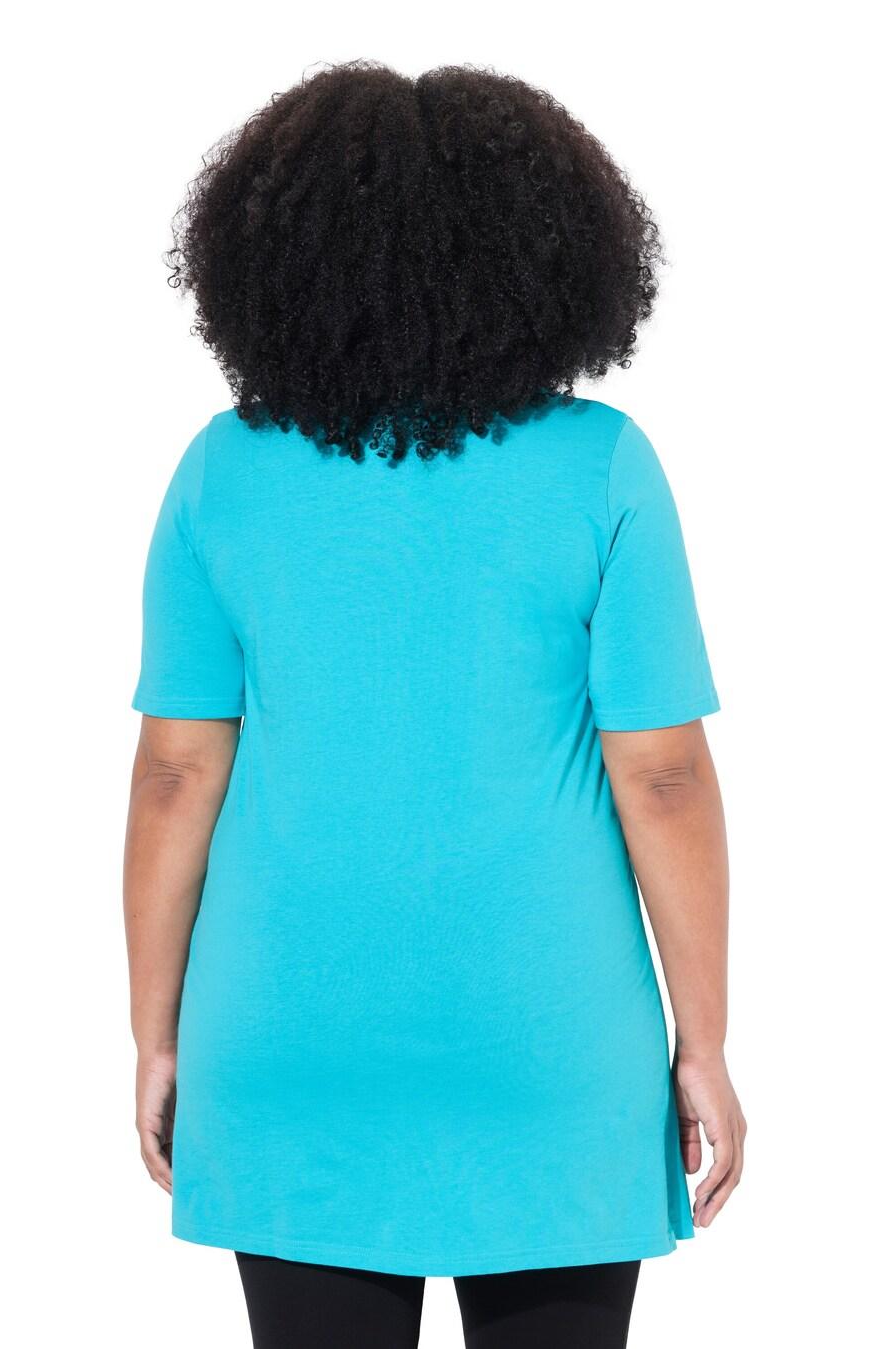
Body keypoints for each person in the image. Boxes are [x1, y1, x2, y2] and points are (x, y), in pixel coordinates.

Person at [123, 60, 746, 1349]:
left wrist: (156, 1032)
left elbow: (178, 772)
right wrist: (705, 1042)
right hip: (550, 1042)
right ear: (550, 254)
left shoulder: (223, 471)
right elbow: (663, 776)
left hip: (289, 1039)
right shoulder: (603, 464)